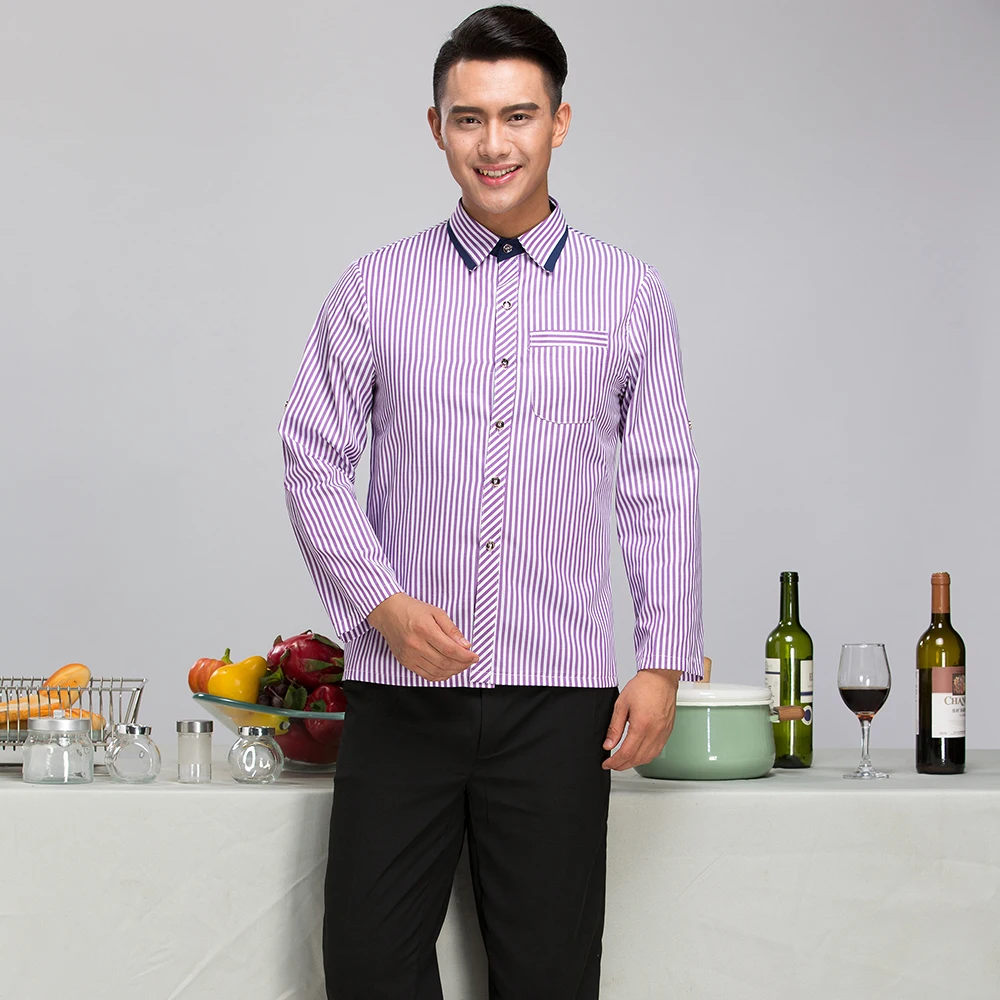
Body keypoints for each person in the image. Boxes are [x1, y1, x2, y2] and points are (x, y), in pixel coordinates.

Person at [278, 6, 703, 998]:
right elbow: (310, 459)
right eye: (468, 118)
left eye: (518, 115)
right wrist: (381, 604)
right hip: (400, 692)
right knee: (368, 965)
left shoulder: (629, 296)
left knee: (549, 976)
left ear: (560, 122)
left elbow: (660, 480)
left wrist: (662, 661)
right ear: (437, 128)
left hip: (559, 702)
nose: (493, 143)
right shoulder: (374, 289)